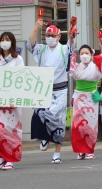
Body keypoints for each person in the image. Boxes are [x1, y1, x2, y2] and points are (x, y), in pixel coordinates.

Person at [27, 19, 75, 164]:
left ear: (59, 37)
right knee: (38, 114)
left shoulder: (64, 49)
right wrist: (36, 27)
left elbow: (71, 45)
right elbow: (30, 44)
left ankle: (57, 153)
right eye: (48, 35)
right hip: (43, 88)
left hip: (60, 89)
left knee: (58, 120)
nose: (50, 38)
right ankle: (44, 138)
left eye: (53, 36)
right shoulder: (41, 49)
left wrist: (72, 34)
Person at [0, 32, 24, 170]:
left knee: (11, 130)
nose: (4, 42)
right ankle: (2, 156)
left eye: (7, 39)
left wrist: (16, 97)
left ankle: (10, 159)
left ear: (12, 42)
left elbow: (21, 78)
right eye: (2, 39)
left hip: (12, 100)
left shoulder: (18, 59)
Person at [70, 40, 102, 160]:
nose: (84, 55)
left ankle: (90, 149)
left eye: (86, 53)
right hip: (78, 96)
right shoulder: (77, 66)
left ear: (91, 55)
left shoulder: (95, 66)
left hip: (90, 97)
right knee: (77, 125)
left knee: (90, 124)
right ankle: (81, 149)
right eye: (81, 53)